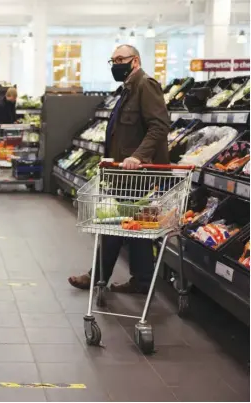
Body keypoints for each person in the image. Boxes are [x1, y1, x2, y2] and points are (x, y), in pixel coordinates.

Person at [68, 44, 171, 294]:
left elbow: (159, 126)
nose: (116, 64)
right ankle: (141, 281)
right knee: (131, 227)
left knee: (116, 224)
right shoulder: (127, 89)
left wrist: (138, 156)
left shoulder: (146, 85)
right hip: (124, 174)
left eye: (120, 59)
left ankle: (98, 277)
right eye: (112, 60)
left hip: (140, 174)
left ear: (134, 61)